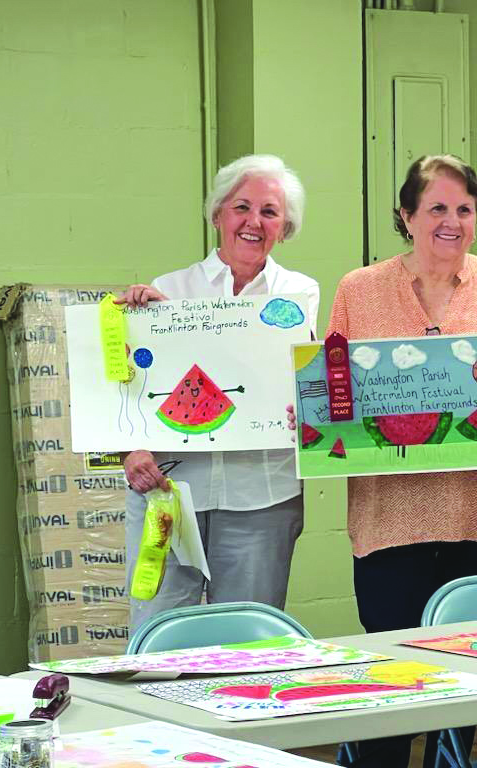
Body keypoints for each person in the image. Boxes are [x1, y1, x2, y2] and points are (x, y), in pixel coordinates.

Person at [306, 155, 477, 767]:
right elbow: (332, 390)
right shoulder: (358, 289)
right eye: (437, 207)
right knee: (391, 681)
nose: (452, 221)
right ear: (407, 215)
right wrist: (310, 413)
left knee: (466, 680)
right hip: (388, 520)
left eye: (464, 209)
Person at [118, 154, 319, 634]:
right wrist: (131, 448)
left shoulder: (301, 293)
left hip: (263, 493)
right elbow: (128, 383)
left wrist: (308, 409)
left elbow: (309, 379)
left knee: (249, 638)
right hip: (169, 488)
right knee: (160, 635)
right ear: (217, 215)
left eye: (269, 212)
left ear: (285, 227)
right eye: (241, 207)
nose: (253, 222)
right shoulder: (168, 289)